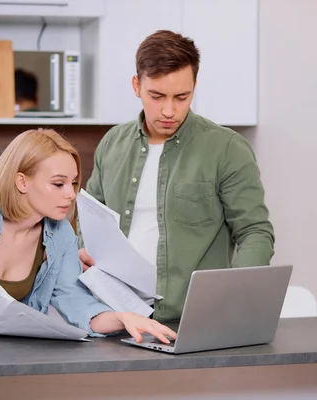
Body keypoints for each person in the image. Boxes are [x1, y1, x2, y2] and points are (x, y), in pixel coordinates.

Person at [0, 128, 176, 343]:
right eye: (58, 183)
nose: (71, 193)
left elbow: (74, 301)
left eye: (74, 182)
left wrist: (122, 317)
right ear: (22, 181)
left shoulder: (61, 233)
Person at [78, 30, 275, 322]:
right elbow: (90, 215)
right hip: (115, 316)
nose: (169, 110)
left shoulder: (227, 148)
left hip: (193, 319)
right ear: (136, 85)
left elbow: (255, 233)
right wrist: (82, 249)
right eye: (156, 96)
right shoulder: (112, 143)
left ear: (194, 87)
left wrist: (234, 298)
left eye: (181, 97)